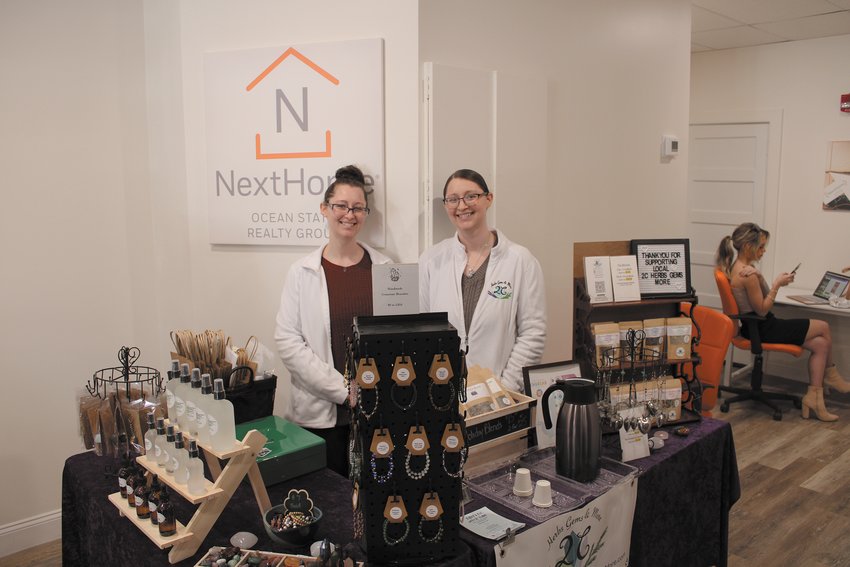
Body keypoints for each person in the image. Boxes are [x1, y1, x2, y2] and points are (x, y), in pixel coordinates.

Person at [274, 165, 392, 476]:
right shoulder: (301, 272)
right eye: (341, 206)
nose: (349, 215)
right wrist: (344, 390)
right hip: (319, 419)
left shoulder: (385, 268)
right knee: (327, 507)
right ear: (325, 209)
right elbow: (288, 341)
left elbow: (398, 337)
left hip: (377, 415)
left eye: (357, 208)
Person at [419, 168, 546, 392]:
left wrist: (504, 388)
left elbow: (533, 333)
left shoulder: (521, 261)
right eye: (453, 199)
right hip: (442, 393)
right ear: (446, 206)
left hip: (500, 395)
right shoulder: (431, 261)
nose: (462, 206)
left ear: (489, 199)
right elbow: (423, 330)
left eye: (471, 196)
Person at [716, 222, 850, 421]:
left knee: (821, 344)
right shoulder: (747, 276)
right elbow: (762, 309)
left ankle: (814, 399)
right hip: (764, 328)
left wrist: (761, 276)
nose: (764, 250)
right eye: (760, 246)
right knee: (823, 326)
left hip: (756, 327)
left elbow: (759, 298)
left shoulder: (740, 268)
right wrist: (777, 285)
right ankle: (831, 377)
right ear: (747, 247)